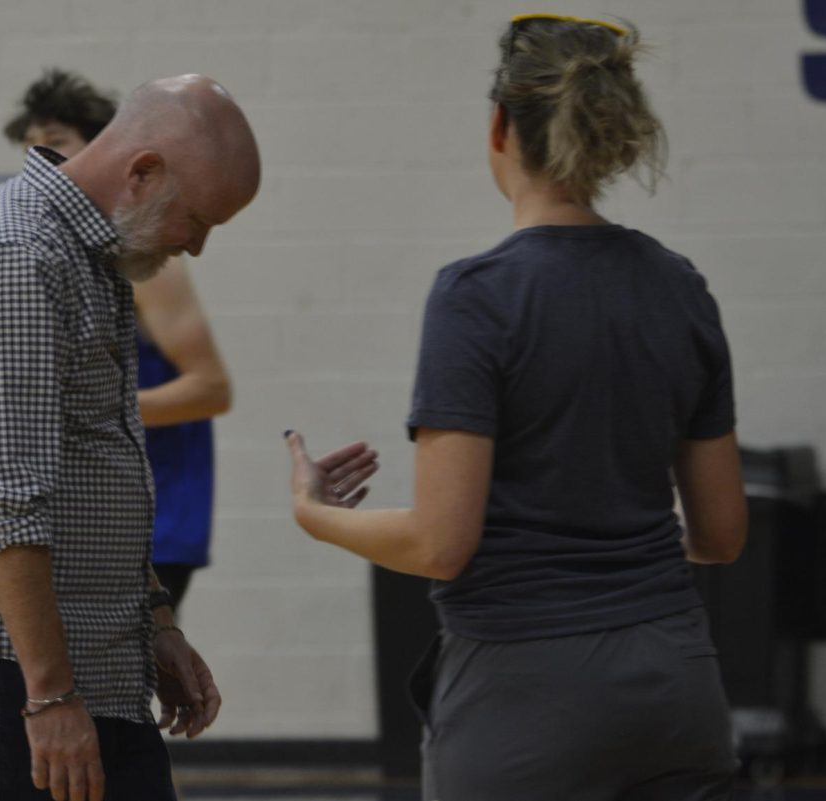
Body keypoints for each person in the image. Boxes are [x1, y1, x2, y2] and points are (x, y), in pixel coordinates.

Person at [284, 14, 747, 801]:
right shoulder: (681, 286)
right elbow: (721, 533)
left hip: (524, 694)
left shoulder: (477, 297)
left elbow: (440, 543)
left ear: (499, 125)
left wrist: (313, 512)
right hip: (677, 681)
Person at [0, 74, 260, 801]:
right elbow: (4, 497)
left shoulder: (88, 257)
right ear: (143, 171)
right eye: (198, 218)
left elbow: (94, 466)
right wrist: (50, 696)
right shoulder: (17, 254)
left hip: (86, 661)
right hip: (9, 674)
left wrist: (156, 619)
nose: (198, 246)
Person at [6, 68, 232, 610]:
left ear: (101, 147)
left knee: (128, 675)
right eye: (31, 146)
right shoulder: (45, 248)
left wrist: (89, 411)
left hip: (159, 505)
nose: (43, 158)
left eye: (56, 142)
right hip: (92, 502)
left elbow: (211, 388)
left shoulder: (146, 261)